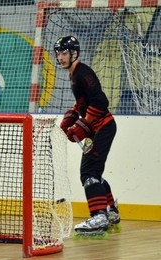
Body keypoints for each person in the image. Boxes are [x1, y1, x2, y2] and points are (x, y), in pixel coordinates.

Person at [54, 36, 120, 236]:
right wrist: (72, 116)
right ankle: (110, 212)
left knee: (89, 172)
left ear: (74, 53)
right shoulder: (75, 74)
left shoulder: (83, 72)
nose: (60, 57)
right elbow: (84, 101)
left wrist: (83, 123)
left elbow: (100, 102)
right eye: (58, 53)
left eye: (64, 53)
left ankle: (99, 216)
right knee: (93, 171)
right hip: (98, 129)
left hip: (103, 127)